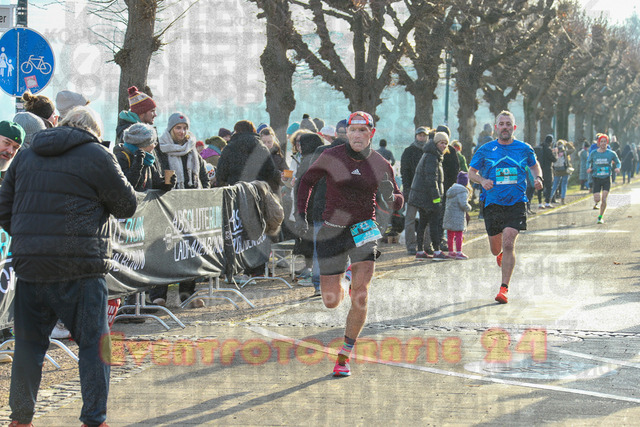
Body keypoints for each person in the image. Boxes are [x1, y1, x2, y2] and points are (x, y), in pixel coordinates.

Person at [0, 106, 137, 427]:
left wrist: (29, 239)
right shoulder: (98, 155)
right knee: (94, 346)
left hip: (32, 266)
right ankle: (94, 420)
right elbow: (126, 205)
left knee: (28, 348)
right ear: (94, 132)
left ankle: (20, 419)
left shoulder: (26, 155)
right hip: (82, 267)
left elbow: (3, 208)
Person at [296, 111, 403, 377]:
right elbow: (306, 182)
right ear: (347, 133)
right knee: (331, 301)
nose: (357, 135)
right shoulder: (331, 156)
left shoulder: (380, 163)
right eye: (353, 130)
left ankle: (344, 355)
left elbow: (397, 198)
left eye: (362, 131)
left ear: (371, 134)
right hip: (332, 231)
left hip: (364, 230)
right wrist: (301, 215)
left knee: (362, 293)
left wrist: (392, 198)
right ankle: (344, 280)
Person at [468, 110, 543, 304]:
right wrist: (482, 180)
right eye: (501, 124)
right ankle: (500, 255)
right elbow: (471, 172)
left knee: (509, 242)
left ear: (514, 127)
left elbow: (534, 165)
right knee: (496, 249)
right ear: (496, 128)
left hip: (516, 202)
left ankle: (504, 289)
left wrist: (538, 178)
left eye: (508, 124)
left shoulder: (524, 148)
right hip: (492, 203)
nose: (505, 127)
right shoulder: (486, 149)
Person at [156, 112, 210, 307]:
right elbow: (157, 175)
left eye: (185, 128)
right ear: (171, 129)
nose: (182, 131)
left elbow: (202, 176)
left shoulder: (191, 148)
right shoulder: (160, 149)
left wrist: (204, 195)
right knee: (163, 250)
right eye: (178, 128)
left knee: (189, 251)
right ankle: (158, 295)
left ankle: (188, 294)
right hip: (167, 207)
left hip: (191, 208)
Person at [409, 131, 448, 260]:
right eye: (442, 143)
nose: (444, 146)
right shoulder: (432, 157)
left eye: (446, 143)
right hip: (429, 197)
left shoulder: (429, 154)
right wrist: (436, 199)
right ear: (436, 143)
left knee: (423, 223)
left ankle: (420, 251)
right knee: (434, 224)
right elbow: (431, 179)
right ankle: (437, 251)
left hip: (422, 196)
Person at [116, 123, 176, 192]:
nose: (154, 146)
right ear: (144, 144)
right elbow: (126, 187)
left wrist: (167, 184)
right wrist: (137, 164)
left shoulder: (147, 160)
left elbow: (156, 183)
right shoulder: (122, 157)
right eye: (153, 142)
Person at [400, 126, 429, 255]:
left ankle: (426, 245)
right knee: (410, 219)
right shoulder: (409, 151)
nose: (422, 138)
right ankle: (411, 246)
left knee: (427, 219)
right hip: (412, 190)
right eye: (420, 135)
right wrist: (407, 189)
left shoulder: (430, 151)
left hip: (427, 191)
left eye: (424, 135)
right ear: (416, 136)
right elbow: (404, 171)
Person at [586, 133, 621, 224]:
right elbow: (588, 161)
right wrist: (588, 168)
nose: (603, 143)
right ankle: (597, 202)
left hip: (606, 178)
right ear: (598, 143)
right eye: (601, 141)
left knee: (604, 199)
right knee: (597, 199)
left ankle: (600, 217)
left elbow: (618, 162)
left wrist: (618, 168)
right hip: (596, 178)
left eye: (605, 141)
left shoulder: (611, 153)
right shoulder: (594, 153)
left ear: (607, 143)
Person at [443, 171, 472, 259]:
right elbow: (463, 204)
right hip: (458, 216)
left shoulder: (451, 190)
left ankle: (451, 251)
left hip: (449, 215)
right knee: (459, 234)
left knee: (450, 234)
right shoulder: (463, 191)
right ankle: (459, 252)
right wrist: (469, 208)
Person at [549, 140, 573, 205]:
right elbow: (573, 150)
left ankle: (549, 199)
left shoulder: (554, 152)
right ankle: (562, 199)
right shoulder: (565, 152)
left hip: (557, 170)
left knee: (554, 185)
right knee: (564, 185)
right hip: (565, 170)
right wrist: (567, 144)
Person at [535, 134, 556, 209]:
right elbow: (554, 159)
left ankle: (540, 203)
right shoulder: (548, 149)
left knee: (540, 187)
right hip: (548, 170)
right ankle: (547, 202)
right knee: (548, 186)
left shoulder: (539, 148)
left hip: (539, 169)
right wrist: (555, 153)